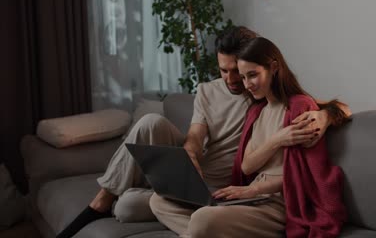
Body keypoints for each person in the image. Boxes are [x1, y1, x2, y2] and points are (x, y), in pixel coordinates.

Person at [57, 26, 350, 238]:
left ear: (260, 64)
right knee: (149, 129)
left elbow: (328, 106)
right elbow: (199, 135)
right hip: (205, 180)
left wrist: (326, 114)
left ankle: (203, 224)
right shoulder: (223, 96)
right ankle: (104, 200)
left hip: (240, 190)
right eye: (225, 71)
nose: (235, 80)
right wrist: (191, 150)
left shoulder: (271, 101)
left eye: (242, 71)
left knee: (134, 208)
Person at [149, 36, 350, 237]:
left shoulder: (299, 107)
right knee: (158, 201)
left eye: (252, 75)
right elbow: (246, 166)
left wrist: (326, 115)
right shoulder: (257, 111)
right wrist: (278, 139)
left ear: (273, 67)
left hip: (280, 201)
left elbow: (304, 177)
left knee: (202, 219)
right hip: (251, 196)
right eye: (244, 77)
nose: (247, 84)